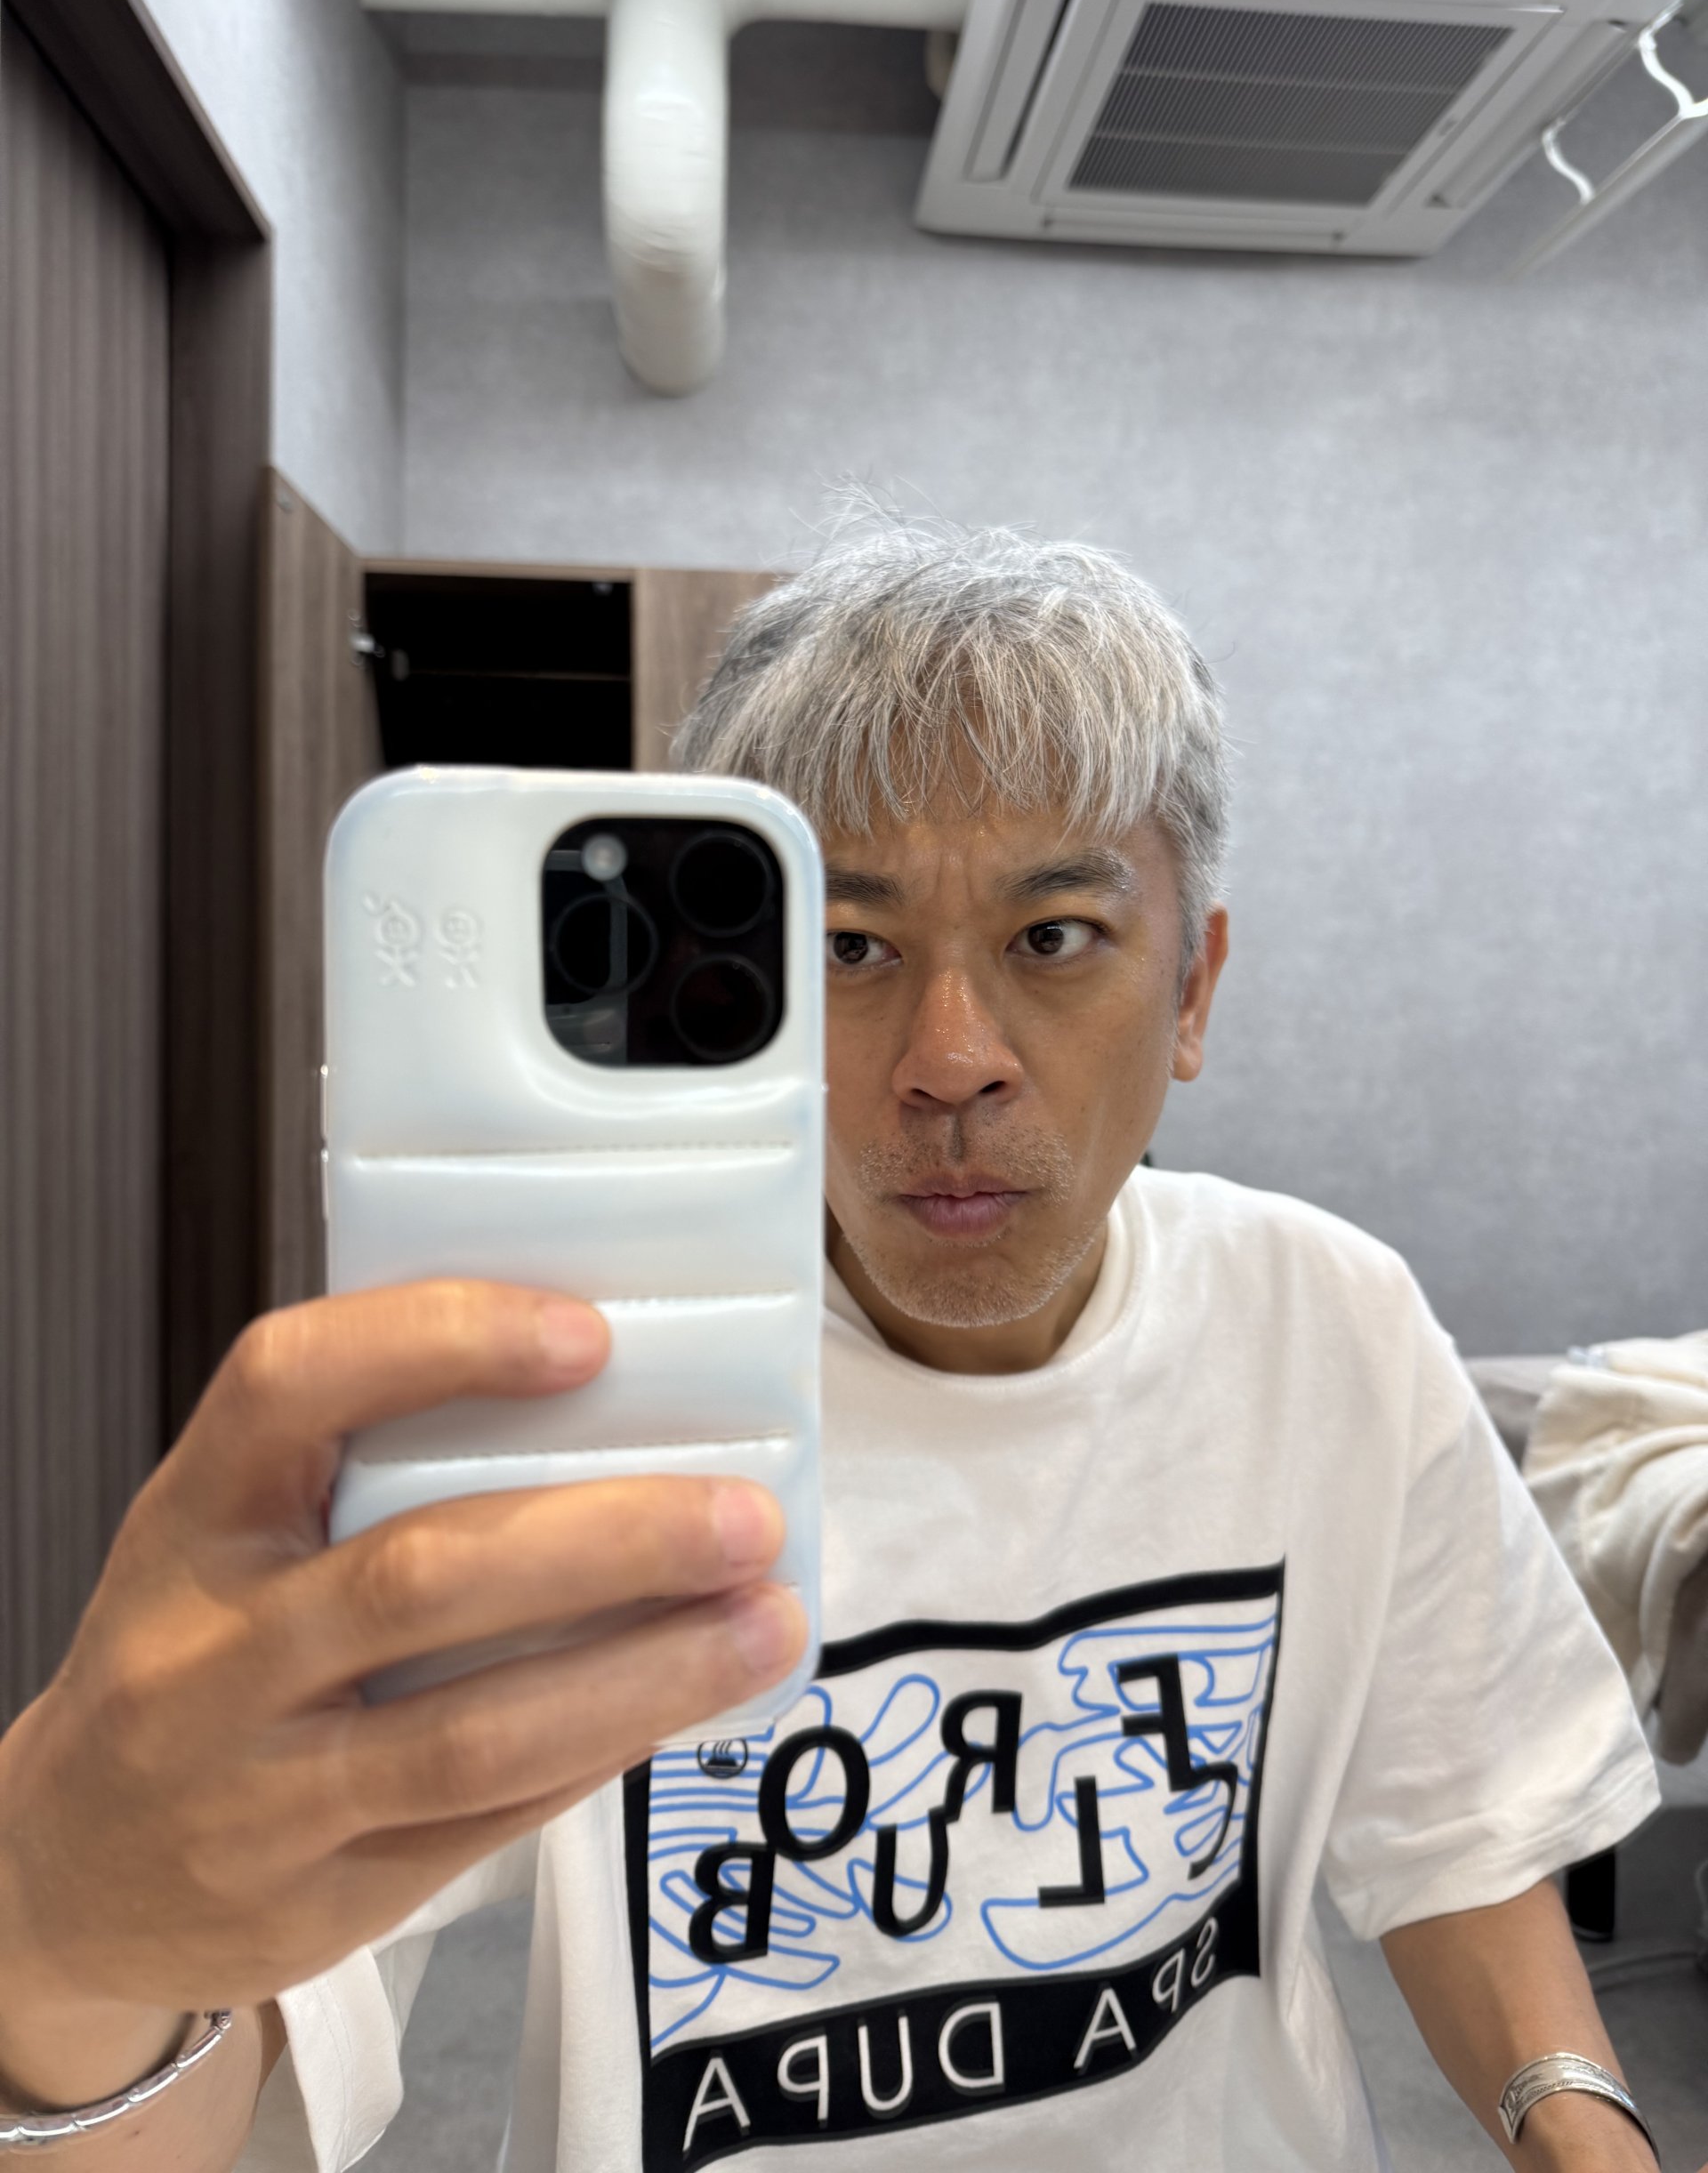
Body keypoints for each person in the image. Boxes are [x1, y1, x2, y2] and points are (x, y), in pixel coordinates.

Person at [0, 519, 1669, 2173]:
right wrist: (59, 1938)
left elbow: (1462, 1823)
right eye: (850, 948)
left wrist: (1579, 2127)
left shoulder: (1328, 1322)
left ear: (1192, 991)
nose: (950, 1060)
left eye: (1052, 937)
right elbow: (194, 2100)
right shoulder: (569, 1398)